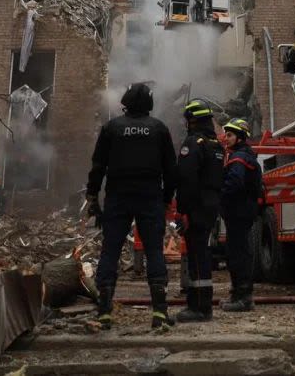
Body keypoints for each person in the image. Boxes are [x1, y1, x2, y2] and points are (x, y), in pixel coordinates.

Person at [86, 83, 178, 329]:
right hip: (150, 196)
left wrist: (93, 197)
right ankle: (159, 313)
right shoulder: (159, 129)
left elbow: (98, 167)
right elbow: (171, 170)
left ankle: (104, 313)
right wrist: (166, 199)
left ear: (125, 101)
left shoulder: (111, 128)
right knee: (154, 251)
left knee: (110, 251)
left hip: (118, 195)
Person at [175, 99, 225, 322]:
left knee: (196, 255)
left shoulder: (194, 143)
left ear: (192, 120)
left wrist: (182, 210)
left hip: (195, 207)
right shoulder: (215, 145)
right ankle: (203, 304)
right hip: (210, 205)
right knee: (202, 254)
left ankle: (199, 308)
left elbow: (186, 179)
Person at [219, 118, 261, 312]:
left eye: (229, 135)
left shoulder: (238, 159)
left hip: (237, 212)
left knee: (237, 255)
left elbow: (234, 184)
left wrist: (219, 195)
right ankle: (241, 295)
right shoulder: (246, 156)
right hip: (243, 212)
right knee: (239, 252)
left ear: (240, 137)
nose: (225, 138)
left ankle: (242, 298)